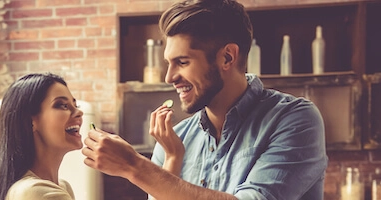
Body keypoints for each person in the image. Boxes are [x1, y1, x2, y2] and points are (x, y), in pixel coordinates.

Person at [81, 0, 327, 199]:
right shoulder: (175, 140)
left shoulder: (295, 119)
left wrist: (134, 166)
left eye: (183, 62)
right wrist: (167, 161)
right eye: (169, 63)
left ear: (227, 58)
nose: (169, 77)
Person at [0, 73, 84, 200]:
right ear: (30, 122)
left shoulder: (62, 187)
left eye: (75, 105)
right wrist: (120, 164)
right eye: (62, 105)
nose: (79, 112)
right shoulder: (37, 192)